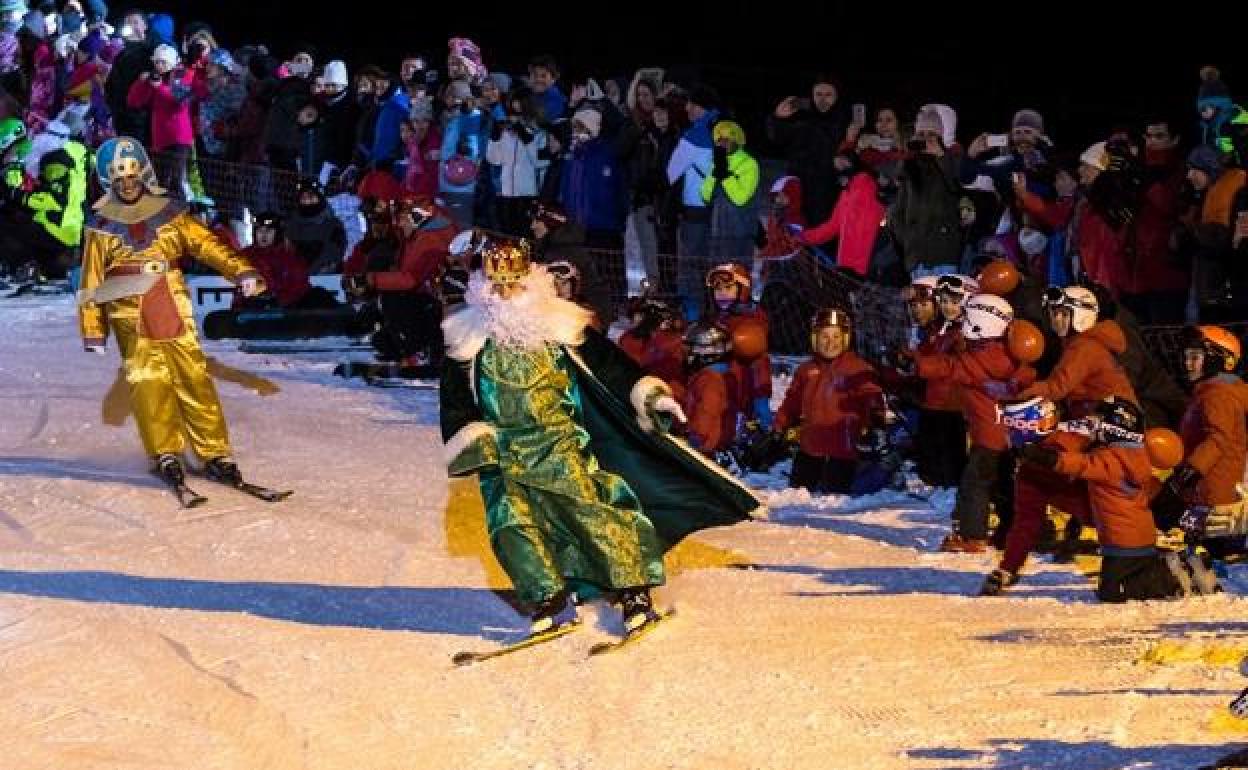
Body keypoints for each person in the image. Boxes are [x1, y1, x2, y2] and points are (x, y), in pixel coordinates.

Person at [439, 238, 759, 641]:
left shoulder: (558, 326)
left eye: (513, 283)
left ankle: (633, 593)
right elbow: (454, 401)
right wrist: (471, 438)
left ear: (529, 280)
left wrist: (650, 393)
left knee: (596, 515)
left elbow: (611, 366)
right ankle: (550, 600)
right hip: (502, 451)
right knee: (512, 527)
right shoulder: (466, 340)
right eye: (496, 284)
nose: (505, 293)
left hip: (558, 443)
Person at [77, 137, 272, 504]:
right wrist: (92, 328)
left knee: (192, 376)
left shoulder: (170, 213)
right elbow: (90, 282)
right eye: (118, 176)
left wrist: (241, 271)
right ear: (108, 180)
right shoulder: (100, 226)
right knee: (147, 380)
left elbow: (208, 246)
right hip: (126, 305)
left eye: (132, 173)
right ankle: (164, 451)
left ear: (143, 172)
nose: (127, 181)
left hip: (169, 298)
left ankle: (215, 453)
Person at [1016, 397, 1198, 601]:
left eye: (1100, 419)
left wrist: (1043, 457)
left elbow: (1079, 464)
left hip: (1124, 541)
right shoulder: (1132, 454)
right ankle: (1163, 569)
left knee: (1113, 593)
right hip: (1132, 536)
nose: (1094, 423)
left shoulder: (1110, 460)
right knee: (1115, 585)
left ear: (1115, 426)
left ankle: (1173, 576)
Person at [909, 294, 1034, 552]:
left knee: (973, 485)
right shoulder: (1007, 353)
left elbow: (948, 367)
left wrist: (916, 363)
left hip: (987, 435)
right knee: (1002, 484)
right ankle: (1012, 529)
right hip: (1008, 434)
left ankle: (971, 536)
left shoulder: (976, 358)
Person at [772, 307, 884, 494]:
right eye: (825, 337)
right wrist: (779, 427)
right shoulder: (806, 370)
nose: (830, 343)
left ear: (845, 339)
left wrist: (875, 419)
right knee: (798, 492)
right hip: (810, 447)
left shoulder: (856, 368)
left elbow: (871, 394)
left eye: (836, 337)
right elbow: (792, 402)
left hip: (843, 449)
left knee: (834, 494)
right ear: (815, 338)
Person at [344, 195, 456, 366]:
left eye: (402, 219)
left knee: (394, 297)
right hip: (430, 304)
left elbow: (411, 279)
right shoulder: (416, 236)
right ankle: (406, 344)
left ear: (418, 217)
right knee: (382, 341)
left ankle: (420, 351)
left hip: (443, 308)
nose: (398, 224)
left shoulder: (432, 240)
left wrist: (371, 280)